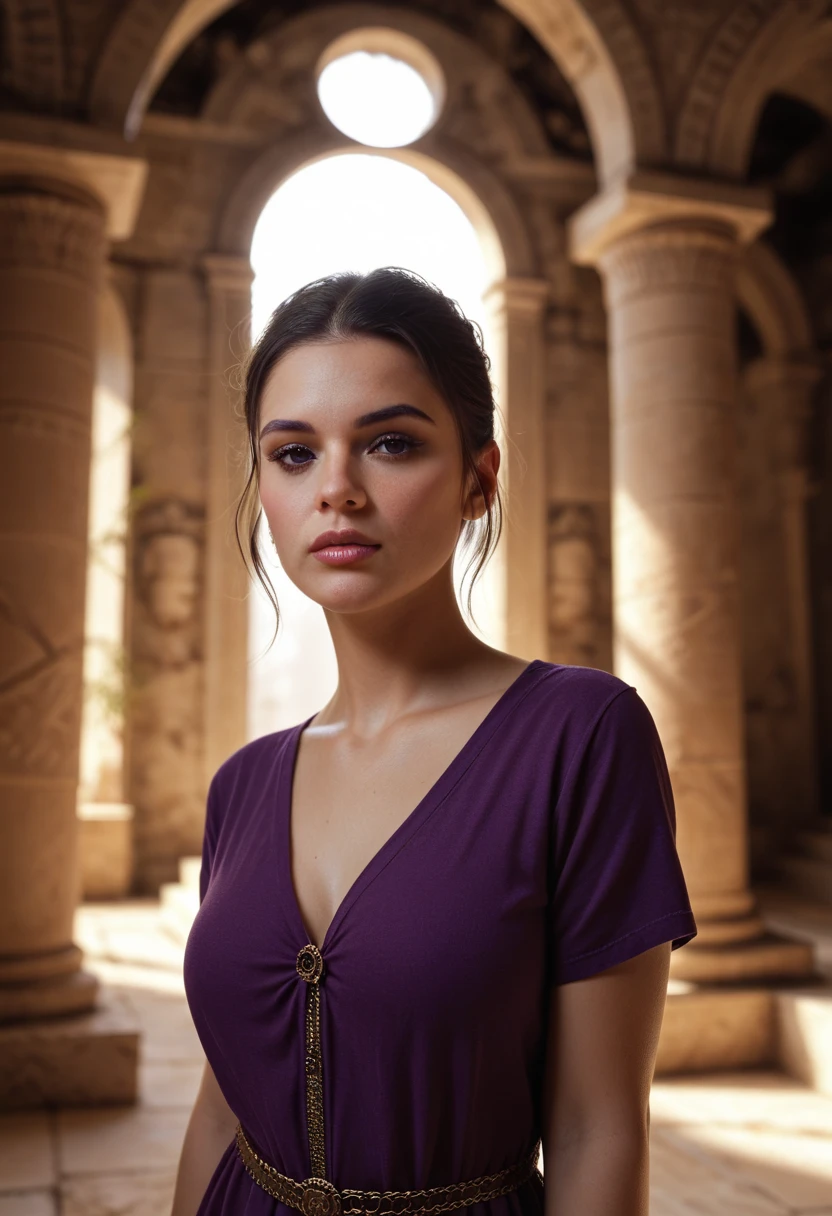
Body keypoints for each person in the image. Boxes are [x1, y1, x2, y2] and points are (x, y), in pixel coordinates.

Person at [171, 267, 697, 1216]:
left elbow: (598, 1128)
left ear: (477, 480)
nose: (337, 489)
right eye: (293, 454)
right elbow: (221, 1112)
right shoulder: (241, 787)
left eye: (390, 443)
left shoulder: (579, 736)